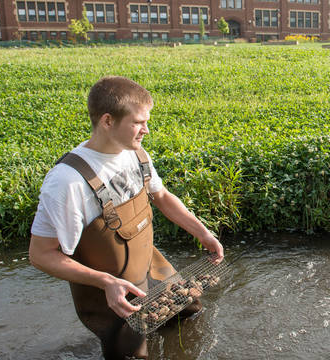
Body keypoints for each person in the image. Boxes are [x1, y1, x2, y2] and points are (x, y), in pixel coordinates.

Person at [28, 76, 224, 359]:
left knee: (188, 310)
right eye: (138, 123)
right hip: (110, 294)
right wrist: (106, 282)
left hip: (149, 266)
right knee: (134, 355)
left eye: (147, 121)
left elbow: (163, 197)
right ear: (107, 121)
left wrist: (202, 232)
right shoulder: (67, 183)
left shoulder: (135, 154)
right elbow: (41, 255)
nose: (146, 130)